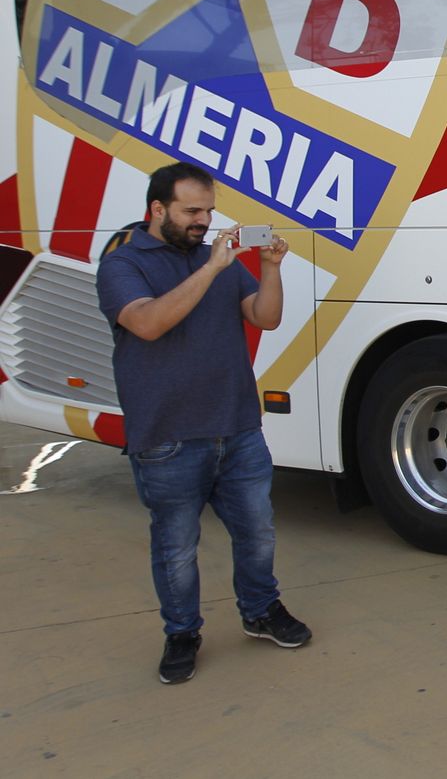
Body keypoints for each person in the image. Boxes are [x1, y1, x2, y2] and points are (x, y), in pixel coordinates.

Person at [95, 161, 312, 685]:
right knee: (175, 547)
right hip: (168, 437)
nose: (203, 221)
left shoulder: (215, 258)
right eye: (192, 211)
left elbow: (265, 316)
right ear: (157, 209)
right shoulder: (124, 264)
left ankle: (261, 611)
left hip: (237, 428)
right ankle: (182, 633)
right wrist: (213, 267)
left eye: (209, 211)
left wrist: (271, 268)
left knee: (256, 532)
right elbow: (147, 324)